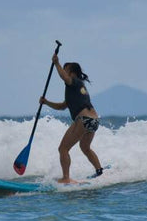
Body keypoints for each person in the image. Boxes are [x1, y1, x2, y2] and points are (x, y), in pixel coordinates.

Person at [39, 53, 103, 183]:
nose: (64, 72)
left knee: (63, 149)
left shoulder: (73, 82)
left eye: (66, 69)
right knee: (85, 147)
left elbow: (64, 77)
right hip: (94, 120)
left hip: (83, 119)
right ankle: (99, 171)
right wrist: (46, 102)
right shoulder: (77, 87)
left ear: (72, 73)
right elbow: (62, 106)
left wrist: (56, 63)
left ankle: (66, 178)